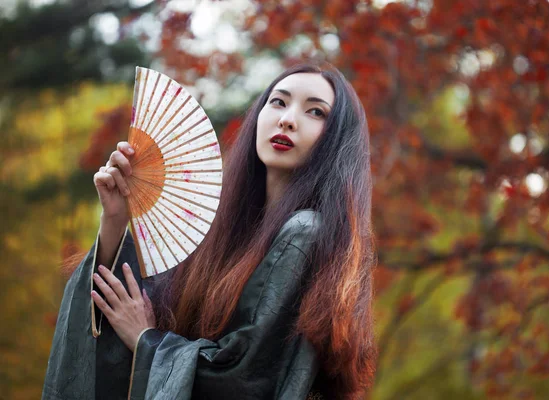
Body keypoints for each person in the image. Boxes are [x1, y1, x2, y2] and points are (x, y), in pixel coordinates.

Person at [42, 63, 377, 400]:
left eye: (315, 112)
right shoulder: (215, 233)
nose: (288, 119)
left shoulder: (306, 232)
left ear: (336, 140)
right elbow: (118, 309)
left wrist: (147, 340)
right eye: (278, 102)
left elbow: (243, 380)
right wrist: (115, 219)